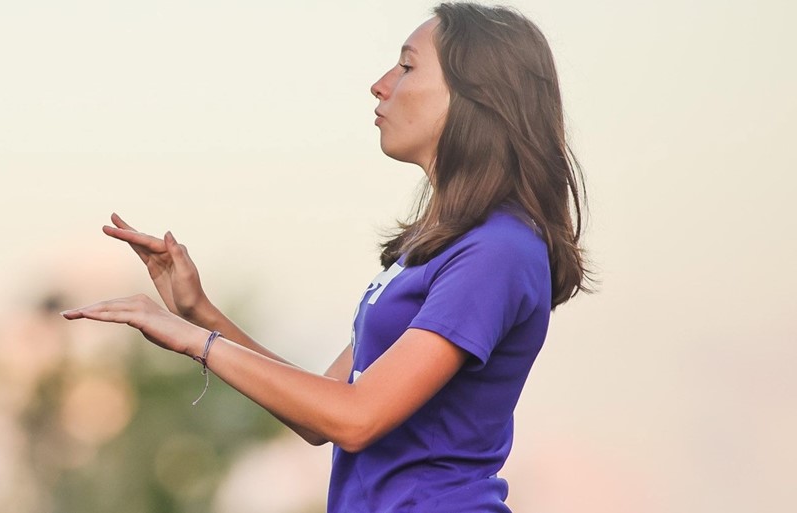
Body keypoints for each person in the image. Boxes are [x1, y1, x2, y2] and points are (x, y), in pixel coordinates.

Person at [61, 2, 596, 511]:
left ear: (473, 95)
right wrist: (199, 313)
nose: (381, 84)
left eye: (407, 67)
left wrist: (197, 342)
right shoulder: (437, 248)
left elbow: (356, 419)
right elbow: (324, 414)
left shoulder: (498, 251)